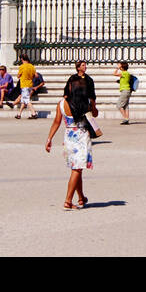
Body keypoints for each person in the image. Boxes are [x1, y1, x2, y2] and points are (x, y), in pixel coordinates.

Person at [45, 75, 95, 210]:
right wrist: (93, 104)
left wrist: (49, 139)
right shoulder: (85, 103)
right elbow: (94, 115)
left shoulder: (62, 103)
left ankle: (81, 197)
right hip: (82, 135)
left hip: (69, 136)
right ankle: (68, 200)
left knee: (76, 168)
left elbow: (56, 122)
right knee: (77, 169)